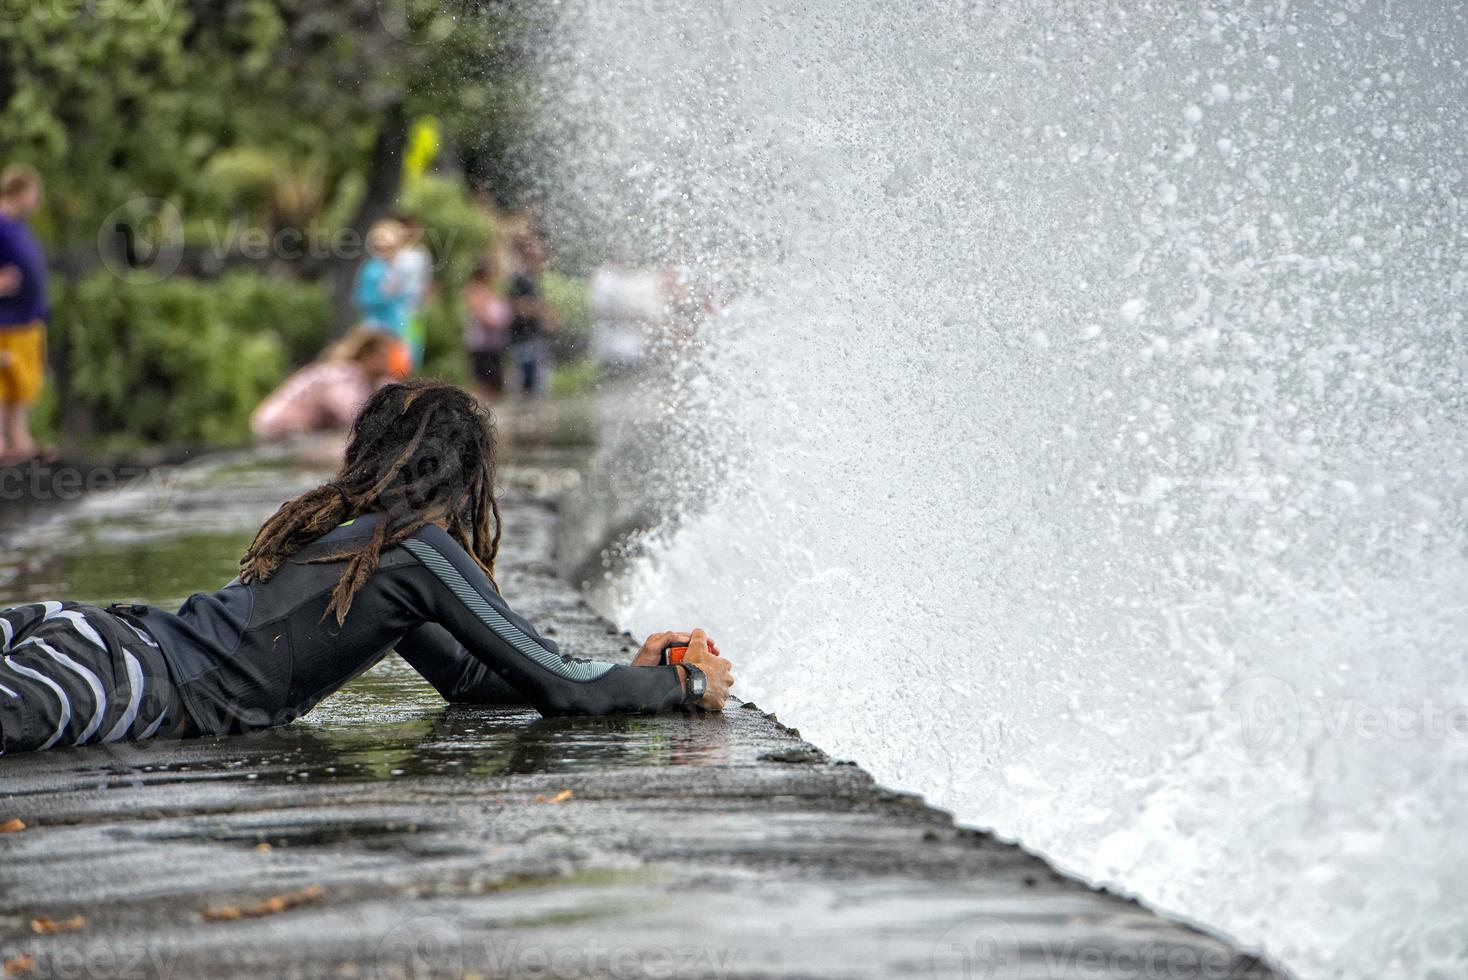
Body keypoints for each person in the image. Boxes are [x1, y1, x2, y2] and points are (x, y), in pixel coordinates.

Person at [0, 380, 733, 755]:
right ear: (463, 480)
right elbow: (559, 691)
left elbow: (476, 677)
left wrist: (626, 671)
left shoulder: (376, 555)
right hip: (129, 675)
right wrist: (683, 683)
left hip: (94, 636)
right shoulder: (414, 548)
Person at [250, 328, 408, 443]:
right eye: (389, 354)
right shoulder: (341, 374)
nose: (395, 360)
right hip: (277, 430)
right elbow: (353, 414)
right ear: (368, 354)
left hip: (301, 434)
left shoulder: (373, 379)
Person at [0, 164, 50, 464]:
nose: (37, 201)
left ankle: (20, 441)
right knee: (3, 384)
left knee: (23, 385)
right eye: (33, 194)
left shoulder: (19, 225)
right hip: (4, 320)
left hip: (27, 319)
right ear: (17, 192)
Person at [508, 233, 558, 397]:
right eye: (534, 249)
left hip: (534, 339)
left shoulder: (533, 278)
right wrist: (542, 310)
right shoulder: (518, 278)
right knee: (528, 388)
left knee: (538, 387)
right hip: (523, 340)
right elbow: (515, 306)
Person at [352, 220, 413, 351]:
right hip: (375, 327)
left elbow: (407, 296)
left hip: (396, 326)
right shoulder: (372, 268)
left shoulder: (399, 268)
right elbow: (364, 298)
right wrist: (385, 295)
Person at [462, 255, 512, 401]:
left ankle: (489, 407)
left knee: (495, 381)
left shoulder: (489, 291)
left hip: (492, 343)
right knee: (484, 381)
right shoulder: (475, 291)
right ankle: (481, 408)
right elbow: (480, 313)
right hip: (481, 343)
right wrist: (494, 324)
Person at [392, 214, 434, 369]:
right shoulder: (394, 253)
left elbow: (425, 281)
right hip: (396, 308)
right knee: (395, 345)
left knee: (413, 346)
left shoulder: (422, 253)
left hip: (415, 309)